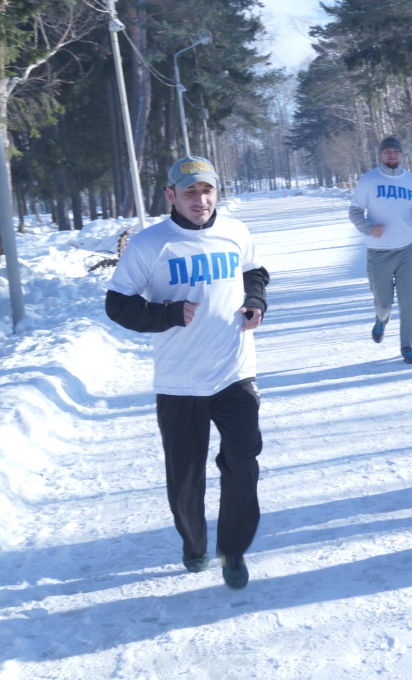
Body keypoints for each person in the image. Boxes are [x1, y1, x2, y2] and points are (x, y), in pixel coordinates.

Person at [106, 156, 269, 589]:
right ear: (171, 195)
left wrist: (256, 300)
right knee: (186, 478)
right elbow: (117, 304)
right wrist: (168, 314)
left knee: (242, 461)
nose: (201, 200)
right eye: (190, 192)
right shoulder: (150, 245)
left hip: (236, 371)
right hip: (179, 382)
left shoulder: (235, 232)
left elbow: (254, 271)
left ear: (217, 192)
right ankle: (194, 544)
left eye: (207, 190)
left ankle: (233, 549)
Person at [349, 136, 412, 364]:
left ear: (402, 154)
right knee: (384, 302)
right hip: (378, 253)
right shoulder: (369, 180)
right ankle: (381, 319)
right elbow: (354, 211)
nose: (392, 155)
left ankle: (407, 347)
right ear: (380, 155)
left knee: (408, 301)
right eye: (387, 151)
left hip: (407, 250)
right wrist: (368, 228)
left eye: (395, 151)